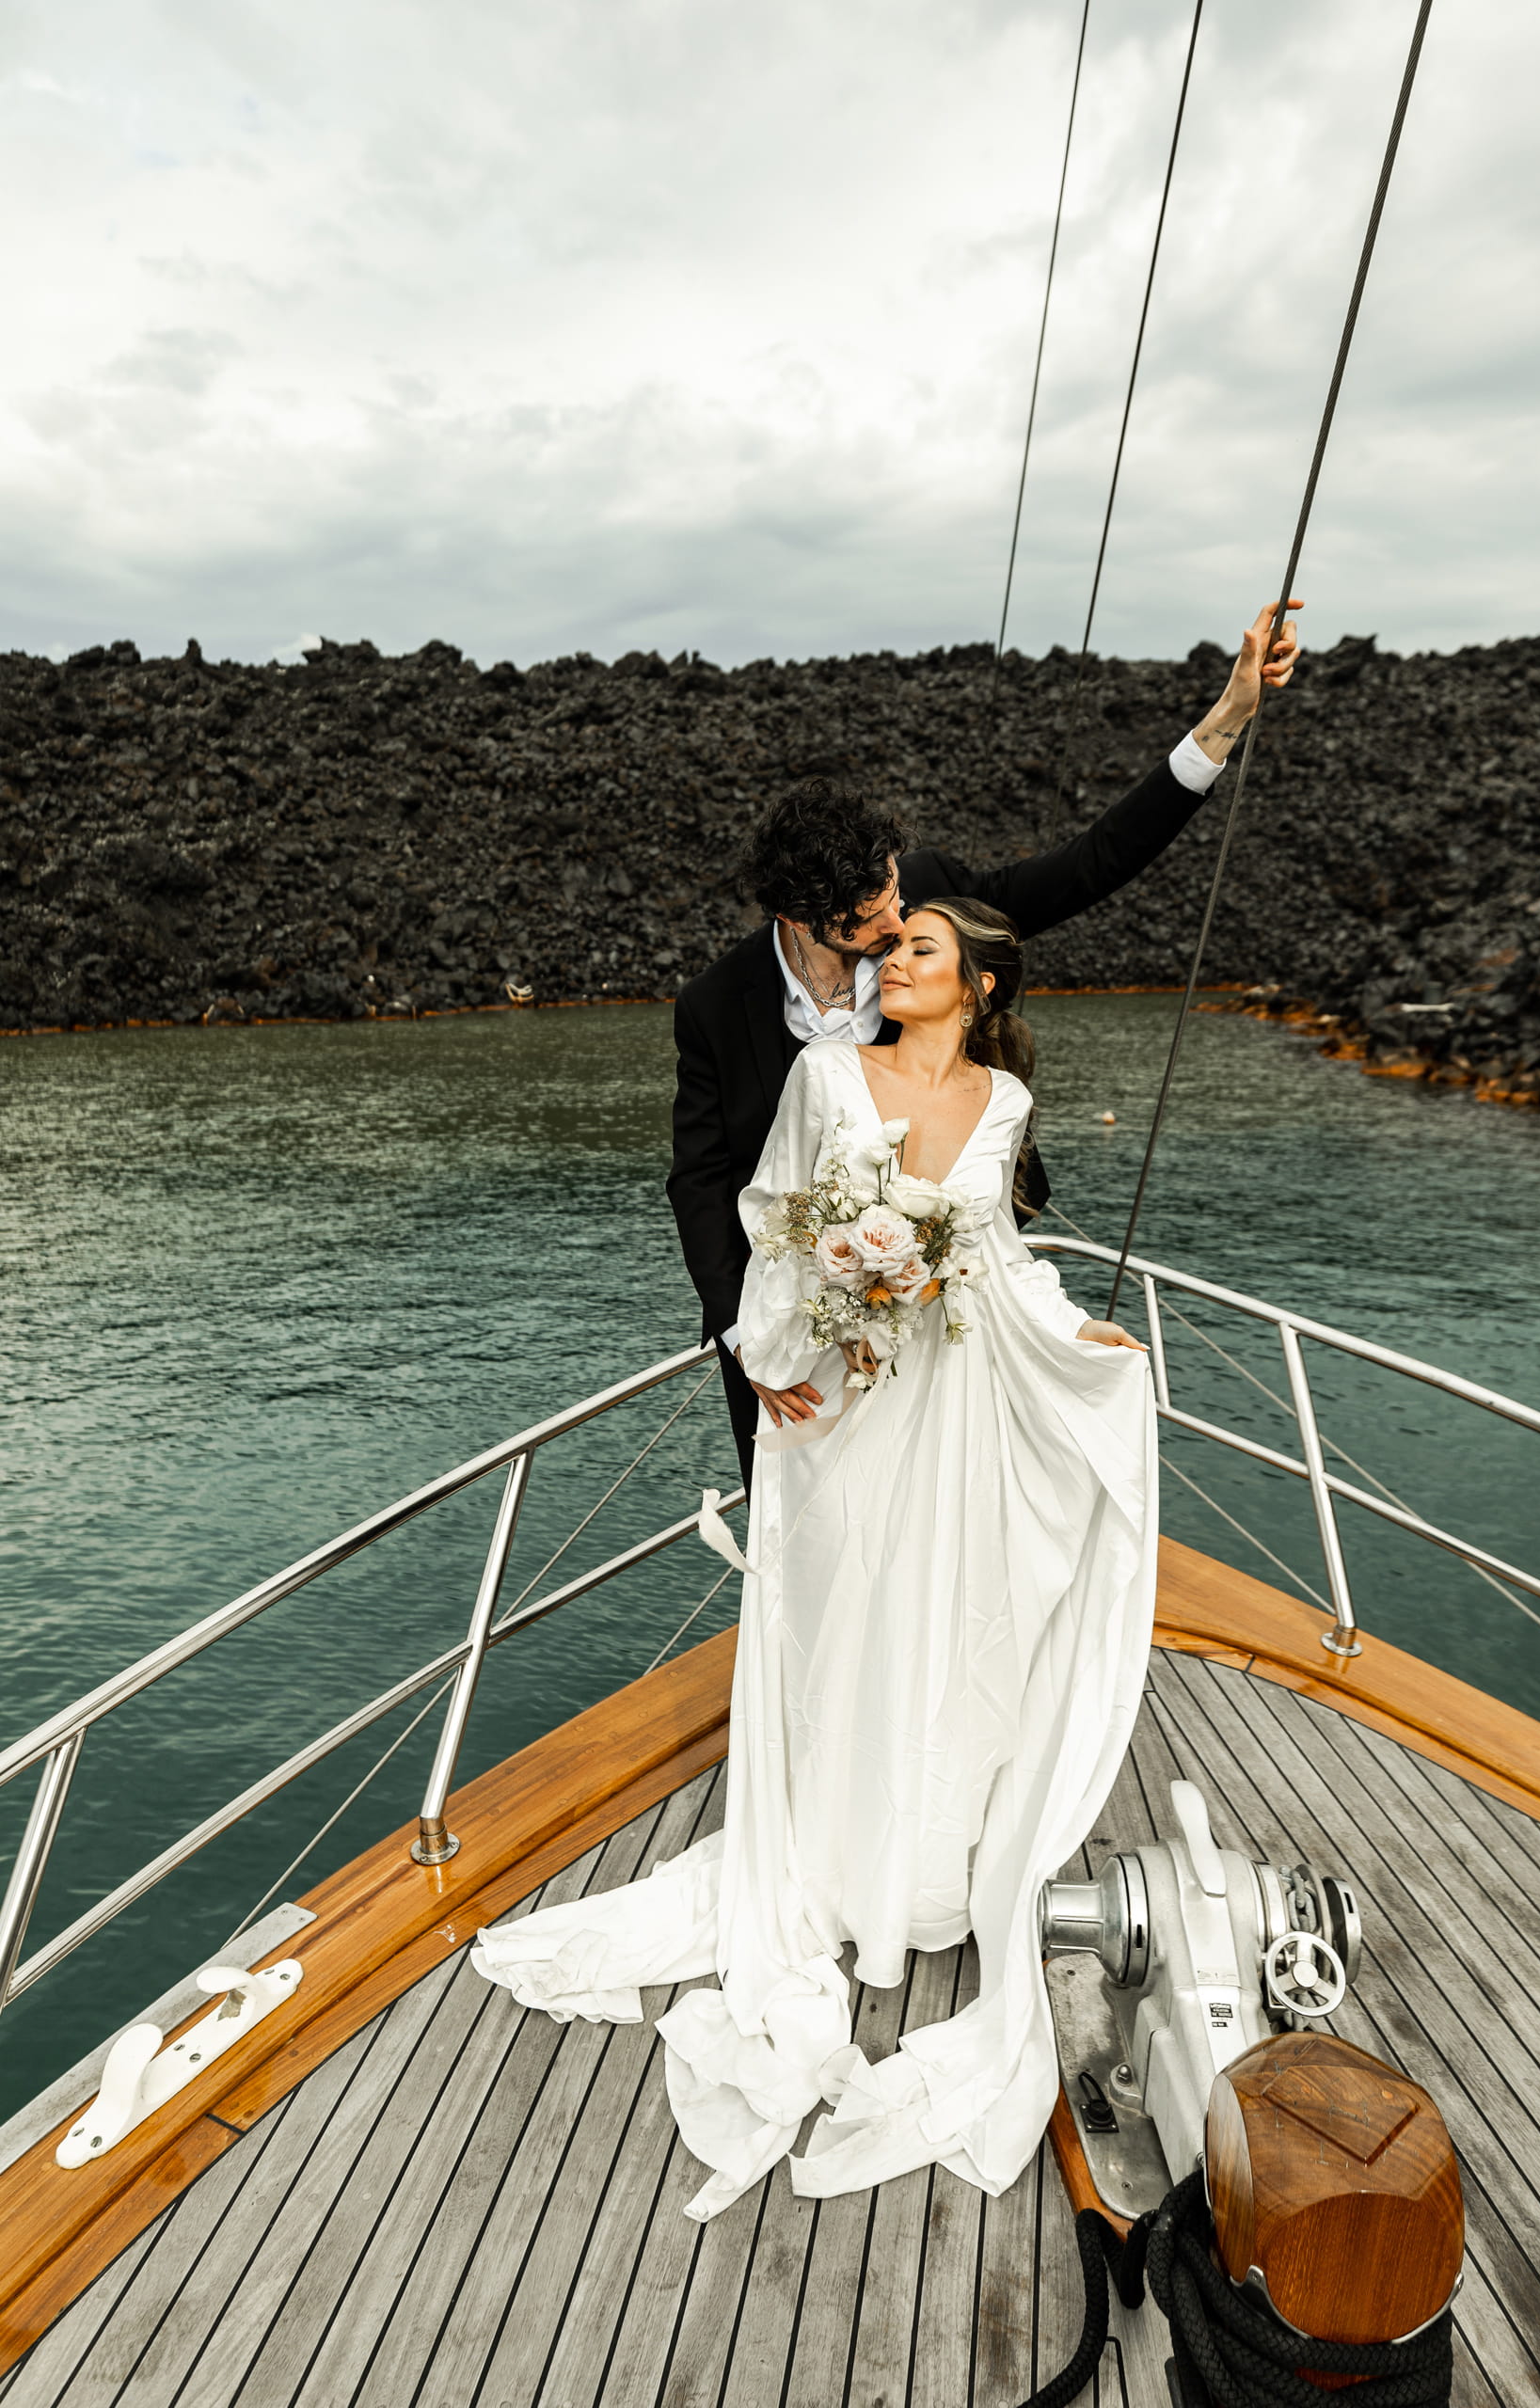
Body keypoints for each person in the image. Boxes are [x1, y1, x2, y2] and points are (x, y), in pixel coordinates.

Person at [473, 895, 1156, 2220]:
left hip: (951, 1405)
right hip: (842, 1405)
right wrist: (772, 1354)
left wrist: (1079, 1339)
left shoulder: (1003, 1105)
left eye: (918, 951)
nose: (888, 961)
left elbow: (1001, 1262)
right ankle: (834, 1866)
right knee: (839, 1621)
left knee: (946, 1622)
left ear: (976, 985)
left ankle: (918, 1866)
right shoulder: (823, 1074)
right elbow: (773, 1215)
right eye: (888, 946)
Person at [669, 603, 1302, 1491]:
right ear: (798, 917)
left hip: (950, 1310)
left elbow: (1088, 866)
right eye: (869, 918)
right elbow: (701, 1179)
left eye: (895, 894)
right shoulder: (712, 1006)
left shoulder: (929, 904)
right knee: (808, 1534)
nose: (898, 924)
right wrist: (745, 1338)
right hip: (794, 1329)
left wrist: (1222, 722)